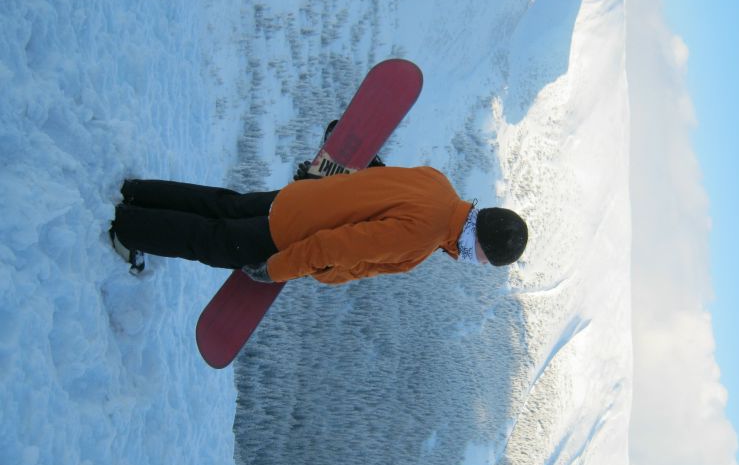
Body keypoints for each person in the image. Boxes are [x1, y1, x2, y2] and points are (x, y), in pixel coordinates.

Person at [109, 161, 528, 284]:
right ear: (480, 246)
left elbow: (373, 181)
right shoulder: (424, 236)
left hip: (300, 199)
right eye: (484, 262)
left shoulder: (438, 183)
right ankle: (126, 228)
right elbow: (339, 247)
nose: (476, 265)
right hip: (289, 236)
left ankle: (138, 193)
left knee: (222, 205)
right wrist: (275, 270)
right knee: (208, 240)